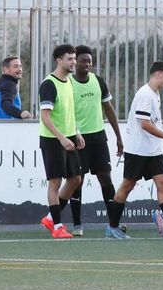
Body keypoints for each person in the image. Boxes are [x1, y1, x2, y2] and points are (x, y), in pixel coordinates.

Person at [106, 62, 163, 240]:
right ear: (158, 74)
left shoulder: (155, 94)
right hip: (138, 150)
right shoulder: (145, 94)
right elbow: (145, 124)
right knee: (127, 186)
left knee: (162, 184)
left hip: (153, 150)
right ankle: (112, 227)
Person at [66, 45, 125, 237]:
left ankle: (114, 224)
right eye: (83, 61)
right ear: (75, 62)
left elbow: (108, 109)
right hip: (78, 139)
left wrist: (118, 137)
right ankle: (77, 225)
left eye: (89, 61)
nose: (87, 64)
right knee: (77, 181)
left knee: (105, 178)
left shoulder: (98, 81)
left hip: (98, 138)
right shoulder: (68, 83)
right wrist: (73, 133)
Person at [37, 44, 85, 239]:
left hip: (69, 136)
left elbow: (68, 112)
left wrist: (76, 132)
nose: (74, 62)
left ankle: (50, 218)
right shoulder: (48, 84)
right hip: (53, 139)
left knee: (75, 179)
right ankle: (57, 226)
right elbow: (45, 117)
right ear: (59, 60)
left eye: (74, 58)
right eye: (70, 59)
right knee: (55, 183)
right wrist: (61, 138)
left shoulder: (69, 81)